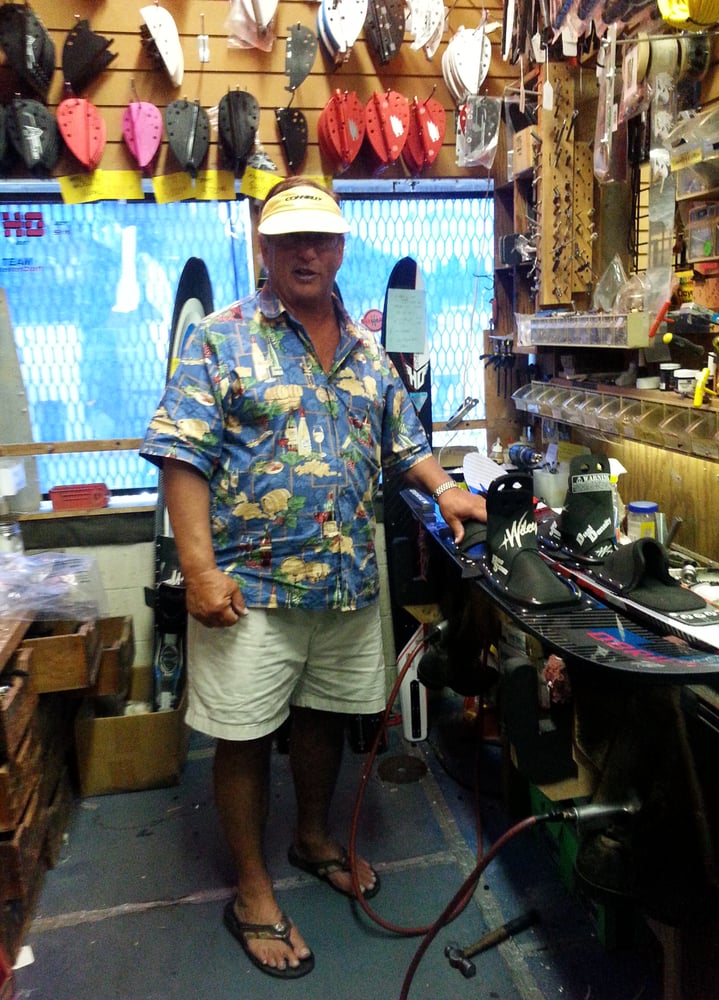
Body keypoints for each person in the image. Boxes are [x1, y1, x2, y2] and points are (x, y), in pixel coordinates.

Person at [140, 177, 486, 980]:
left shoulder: (367, 350)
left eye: (320, 239)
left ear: (339, 248)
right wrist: (197, 570)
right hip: (249, 588)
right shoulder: (220, 339)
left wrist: (445, 489)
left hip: (344, 580)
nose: (306, 253)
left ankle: (314, 837)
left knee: (323, 717)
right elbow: (181, 454)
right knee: (244, 734)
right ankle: (252, 891)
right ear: (263, 247)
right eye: (290, 239)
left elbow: (404, 442)